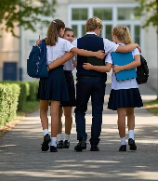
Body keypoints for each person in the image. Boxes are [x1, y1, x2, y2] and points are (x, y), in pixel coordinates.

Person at [71, 17, 141, 152]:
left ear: (87, 28)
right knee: (97, 111)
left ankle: (81, 139)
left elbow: (74, 60)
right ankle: (94, 143)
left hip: (83, 80)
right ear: (98, 29)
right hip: (98, 81)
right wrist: (136, 45)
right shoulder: (105, 42)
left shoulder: (77, 42)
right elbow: (124, 49)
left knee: (80, 110)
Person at [36, 19, 105, 153]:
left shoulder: (43, 43)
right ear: (61, 30)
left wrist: (38, 46)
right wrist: (95, 54)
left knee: (43, 110)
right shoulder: (63, 43)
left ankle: (46, 133)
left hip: (45, 76)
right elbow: (79, 51)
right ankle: (55, 143)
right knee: (56, 112)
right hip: (58, 76)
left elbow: (37, 58)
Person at [57, 28, 76, 149]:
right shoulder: (57, 47)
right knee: (57, 112)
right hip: (57, 77)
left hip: (68, 78)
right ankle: (59, 139)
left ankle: (67, 139)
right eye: (67, 35)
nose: (70, 37)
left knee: (67, 112)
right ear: (62, 36)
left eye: (72, 36)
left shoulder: (74, 49)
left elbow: (76, 64)